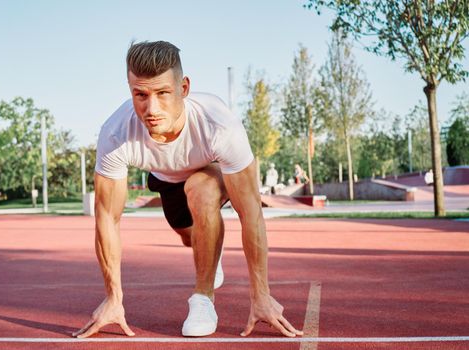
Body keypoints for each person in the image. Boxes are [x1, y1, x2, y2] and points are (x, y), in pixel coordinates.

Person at [73, 41, 303, 339]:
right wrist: (113, 297)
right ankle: (211, 249)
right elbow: (106, 217)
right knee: (190, 238)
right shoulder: (116, 133)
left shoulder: (219, 126)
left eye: (163, 93)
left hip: (212, 172)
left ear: (183, 88)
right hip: (166, 180)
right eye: (140, 95)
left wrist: (260, 294)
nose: (151, 108)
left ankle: (203, 300)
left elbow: (251, 213)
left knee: (201, 190)